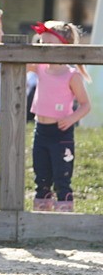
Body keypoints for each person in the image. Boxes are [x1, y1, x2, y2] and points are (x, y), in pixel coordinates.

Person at [28, 20, 91, 212]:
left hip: (61, 133)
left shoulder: (72, 75)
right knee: (41, 176)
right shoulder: (40, 68)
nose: (44, 50)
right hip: (41, 131)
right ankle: (41, 212)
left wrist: (71, 119)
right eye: (42, 45)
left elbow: (85, 104)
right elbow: (15, 59)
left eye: (49, 45)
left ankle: (64, 214)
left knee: (62, 176)